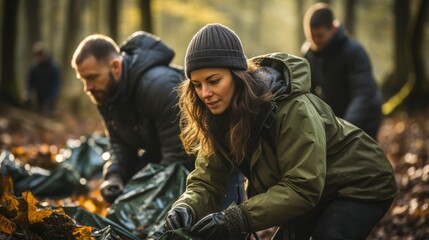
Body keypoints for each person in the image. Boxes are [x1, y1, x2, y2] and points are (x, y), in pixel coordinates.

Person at [156, 23, 398, 240]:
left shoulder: (290, 108)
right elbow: (207, 182)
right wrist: (185, 208)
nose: (205, 93)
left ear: (237, 76)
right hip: (313, 194)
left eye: (213, 80)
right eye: (197, 85)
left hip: (361, 182)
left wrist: (236, 219)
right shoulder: (217, 117)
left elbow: (303, 187)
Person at [71, 32, 194, 204]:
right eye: (83, 79)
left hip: (207, 166)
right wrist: (115, 177)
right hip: (162, 156)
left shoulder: (159, 87)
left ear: (115, 67)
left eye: (92, 77)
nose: (87, 88)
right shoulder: (107, 94)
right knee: (123, 195)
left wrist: (141, 198)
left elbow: (179, 161)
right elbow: (119, 143)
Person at [302, 3, 382, 140]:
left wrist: (345, 126)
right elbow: (309, 92)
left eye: (320, 35)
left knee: (363, 158)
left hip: (365, 119)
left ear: (333, 28)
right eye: (311, 36)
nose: (315, 40)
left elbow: (363, 93)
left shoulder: (354, 52)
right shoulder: (309, 54)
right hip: (337, 119)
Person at [25, 42, 61, 116]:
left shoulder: (54, 67)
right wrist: (27, 92)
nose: (40, 57)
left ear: (46, 54)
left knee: (49, 117)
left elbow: (56, 85)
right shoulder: (34, 67)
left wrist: (50, 99)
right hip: (38, 98)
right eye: (38, 55)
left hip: (50, 100)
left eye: (41, 54)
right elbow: (30, 81)